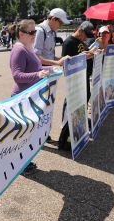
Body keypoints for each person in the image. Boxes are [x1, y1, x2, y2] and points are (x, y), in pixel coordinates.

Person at [10, 19, 68, 174]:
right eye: (31, 32)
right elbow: (17, 76)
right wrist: (39, 74)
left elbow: (37, 67)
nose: (35, 35)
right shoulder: (19, 50)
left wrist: (51, 68)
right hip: (21, 98)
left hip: (30, 97)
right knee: (23, 135)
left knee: (28, 133)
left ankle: (25, 162)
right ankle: (21, 165)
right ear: (21, 34)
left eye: (35, 31)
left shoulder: (28, 48)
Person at [58, 21, 95, 151]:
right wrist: (83, 56)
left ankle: (78, 129)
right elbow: (66, 62)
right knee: (73, 106)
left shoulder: (80, 42)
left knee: (84, 99)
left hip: (83, 76)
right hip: (75, 80)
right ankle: (67, 136)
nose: (86, 38)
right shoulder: (69, 42)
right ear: (80, 30)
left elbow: (84, 54)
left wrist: (91, 53)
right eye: (85, 35)